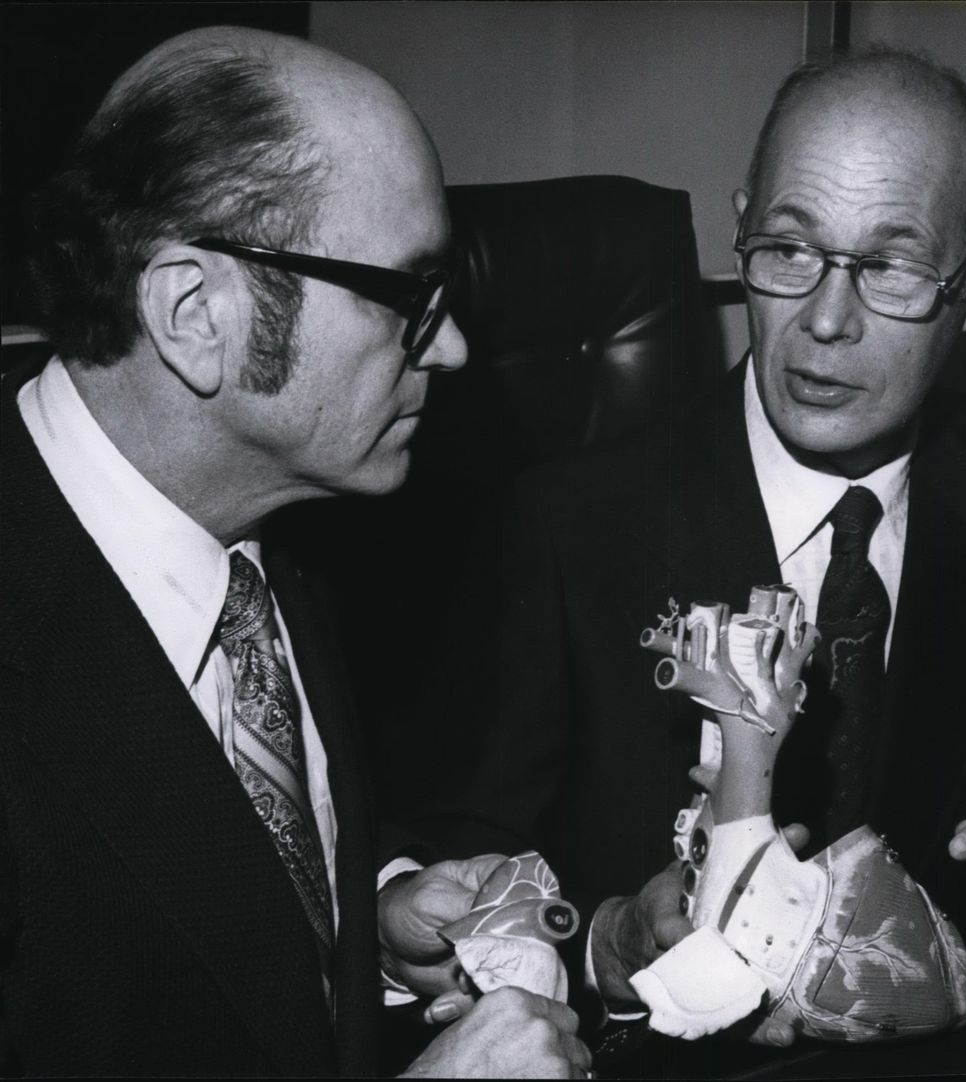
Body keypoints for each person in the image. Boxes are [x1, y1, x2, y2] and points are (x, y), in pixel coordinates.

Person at [389, 48, 966, 1070]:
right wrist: (600, 943)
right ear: (741, 229)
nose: (824, 319)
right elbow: (442, 883)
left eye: (891, 266)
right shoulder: (566, 523)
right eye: (787, 249)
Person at [0, 26, 590, 1079]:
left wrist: (366, 923)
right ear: (195, 314)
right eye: (407, 295)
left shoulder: (281, 530)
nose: (449, 345)